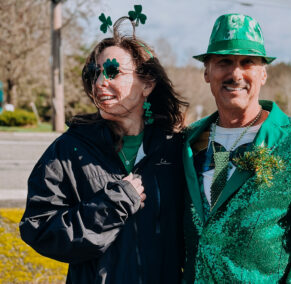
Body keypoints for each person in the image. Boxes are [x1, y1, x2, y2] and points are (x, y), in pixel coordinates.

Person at [19, 11, 188, 283]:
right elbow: (38, 227)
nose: (99, 83)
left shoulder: (176, 149)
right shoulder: (70, 149)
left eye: (112, 71)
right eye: (94, 73)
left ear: (147, 84)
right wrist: (111, 206)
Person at [182, 14, 291, 283]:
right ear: (207, 72)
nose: (235, 73)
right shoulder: (186, 142)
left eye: (247, 63)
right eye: (224, 62)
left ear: (263, 73)